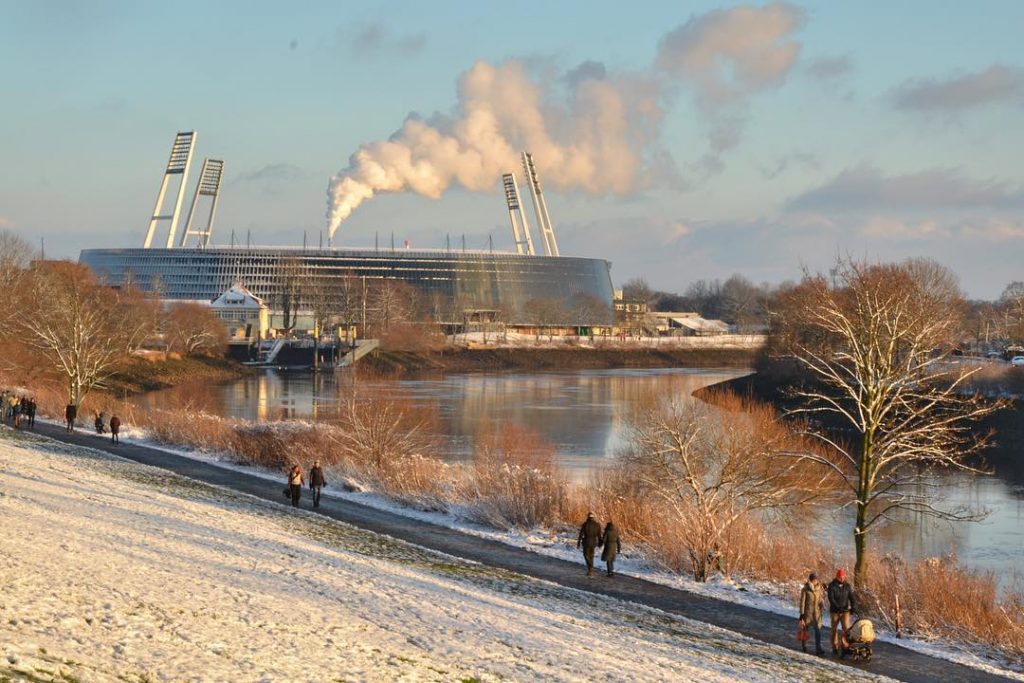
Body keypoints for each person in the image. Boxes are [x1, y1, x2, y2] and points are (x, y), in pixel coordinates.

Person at [827, 568, 856, 655]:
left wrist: (853, 607)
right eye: (840, 577)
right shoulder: (832, 586)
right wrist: (838, 607)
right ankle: (834, 647)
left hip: (845, 611)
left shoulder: (847, 586)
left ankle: (847, 646)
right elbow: (831, 599)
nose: (842, 578)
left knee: (846, 629)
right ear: (837, 577)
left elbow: (852, 597)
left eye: (843, 577)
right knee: (834, 629)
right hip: (835, 612)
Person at [799, 572, 826, 655]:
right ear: (810, 580)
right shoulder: (805, 589)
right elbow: (802, 602)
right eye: (814, 579)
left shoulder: (819, 589)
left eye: (816, 579)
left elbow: (820, 599)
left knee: (818, 631)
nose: (815, 581)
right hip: (808, 613)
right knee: (805, 630)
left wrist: (822, 604)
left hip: (816, 614)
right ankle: (804, 645)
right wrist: (802, 615)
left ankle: (818, 648)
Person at [577, 511, 602, 576]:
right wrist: (600, 543)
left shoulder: (585, 524)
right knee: (591, 556)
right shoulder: (597, 525)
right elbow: (599, 535)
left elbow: (581, 534)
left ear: (588, 517)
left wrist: (578, 543)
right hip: (594, 542)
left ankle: (590, 567)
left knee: (586, 555)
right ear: (593, 517)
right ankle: (590, 568)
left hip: (586, 542)